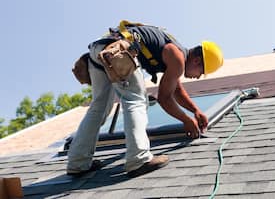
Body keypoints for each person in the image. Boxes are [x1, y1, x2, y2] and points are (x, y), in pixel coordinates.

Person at [66, 22, 224, 177]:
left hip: (100, 50)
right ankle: (138, 159)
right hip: (118, 51)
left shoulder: (175, 51)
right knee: (136, 100)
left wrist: (195, 111)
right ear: (197, 60)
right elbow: (165, 98)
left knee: (98, 108)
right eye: (201, 72)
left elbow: (176, 89)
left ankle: (78, 162)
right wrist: (186, 120)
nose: (198, 77)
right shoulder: (177, 57)